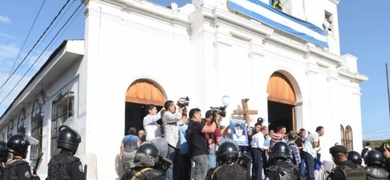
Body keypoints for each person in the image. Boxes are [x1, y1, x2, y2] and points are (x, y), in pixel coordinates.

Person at [187, 108, 216, 180]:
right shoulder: (195, 124)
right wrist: (214, 120)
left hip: (197, 153)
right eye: (199, 115)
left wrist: (206, 142)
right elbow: (211, 130)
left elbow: (196, 139)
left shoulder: (190, 125)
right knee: (200, 176)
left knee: (203, 175)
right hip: (200, 154)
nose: (201, 117)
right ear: (194, 115)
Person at [162, 100, 182, 180]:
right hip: (170, 143)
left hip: (176, 144)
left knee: (177, 165)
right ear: (170, 107)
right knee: (170, 164)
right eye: (174, 106)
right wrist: (180, 110)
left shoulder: (172, 116)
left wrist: (183, 111)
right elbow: (177, 117)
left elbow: (180, 120)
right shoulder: (166, 114)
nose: (175, 108)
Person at [179, 112, 191, 180]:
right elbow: (188, 137)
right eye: (186, 118)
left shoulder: (177, 126)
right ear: (183, 118)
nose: (187, 120)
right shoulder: (185, 127)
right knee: (186, 168)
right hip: (185, 149)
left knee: (181, 167)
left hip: (179, 149)